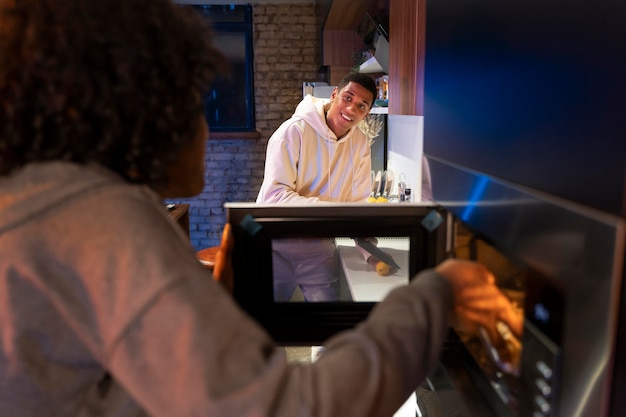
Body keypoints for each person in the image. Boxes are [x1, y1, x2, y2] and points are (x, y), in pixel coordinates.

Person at [0, 0, 523, 416]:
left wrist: (208, 317)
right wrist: (438, 294)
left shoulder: (47, 204)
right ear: (144, 108)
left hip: (317, 251)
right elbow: (290, 407)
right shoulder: (104, 225)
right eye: (194, 101)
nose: (205, 126)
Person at [256, 73, 377, 301]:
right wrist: (334, 213)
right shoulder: (293, 131)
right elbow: (274, 197)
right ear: (334, 95)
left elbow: (358, 203)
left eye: (361, 106)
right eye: (347, 98)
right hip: (276, 246)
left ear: (367, 113)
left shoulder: (360, 143)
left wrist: (370, 251)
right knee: (261, 324)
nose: (352, 109)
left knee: (326, 324)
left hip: (320, 250)